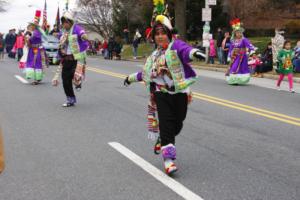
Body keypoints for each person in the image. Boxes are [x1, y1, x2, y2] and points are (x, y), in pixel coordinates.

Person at [123, 0, 205, 175]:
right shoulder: (153, 56)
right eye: (157, 33)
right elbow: (144, 74)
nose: (160, 36)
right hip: (161, 94)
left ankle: (163, 139)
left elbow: (185, 50)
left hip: (180, 93)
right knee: (167, 125)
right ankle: (168, 160)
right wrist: (130, 78)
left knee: (178, 124)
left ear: (169, 33)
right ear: (153, 36)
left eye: (163, 33)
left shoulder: (175, 47)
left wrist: (194, 53)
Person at [52, 11, 89, 107]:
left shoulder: (76, 28)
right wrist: (56, 35)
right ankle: (70, 99)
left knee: (75, 76)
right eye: (63, 23)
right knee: (65, 80)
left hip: (76, 59)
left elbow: (82, 33)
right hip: (66, 59)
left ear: (70, 22)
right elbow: (60, 38)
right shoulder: (64, 32)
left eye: (65, 22)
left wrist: (84, 36)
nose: (64, 24)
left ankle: (78, 82)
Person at [225, 18, 255, 85]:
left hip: (242, 57)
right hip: (234, 56)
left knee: (242, 69)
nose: (238, 34)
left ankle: (239, 80)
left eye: (239, 32)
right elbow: (230, 48)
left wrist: (253, 49)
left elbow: (249, 45)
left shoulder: (244, 39)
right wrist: (229, 56)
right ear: (235, 33)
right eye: (237, 33)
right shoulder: (233, 41)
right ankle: (233, 80)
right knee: (234, 67)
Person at [25, 10, 48, 85]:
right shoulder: (31, 32)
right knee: (32, 63)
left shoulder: (37, 31)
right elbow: (28, 43)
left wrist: (29, 36)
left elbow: (34, 37)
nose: (32, 26)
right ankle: (35, 77)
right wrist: (27, 40)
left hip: (38, 49)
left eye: (33, 25)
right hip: (32, 50)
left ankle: (36, 79)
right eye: (31, 25)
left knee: (37, 63)